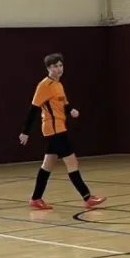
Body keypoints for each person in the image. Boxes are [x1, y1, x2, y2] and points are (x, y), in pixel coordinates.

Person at [21, 53, 105, 210]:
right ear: (48, 68)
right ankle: (87, 197)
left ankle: (36, 198)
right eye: (55, 66)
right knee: (72, 161)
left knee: (47, 165)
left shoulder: (58, 85)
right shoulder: (44, 85)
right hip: (54, 130)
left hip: (60, 127)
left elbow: (64, 104)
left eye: (60, 66)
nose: (59, 69)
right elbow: (34, 109)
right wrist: (25, 131)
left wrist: (71, 110)